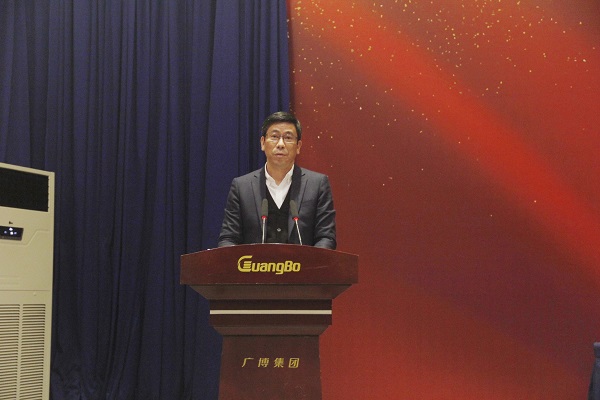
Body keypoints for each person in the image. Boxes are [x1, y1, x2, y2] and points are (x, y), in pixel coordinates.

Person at [218, 111, 336, 249]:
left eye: (288, 138)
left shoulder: (317, 185)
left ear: (298, 146)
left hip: (303, 263)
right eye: (274, 137)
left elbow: (326, 237)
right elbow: (228, 238)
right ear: (263, 143)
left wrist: (311, 261)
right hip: (254, 263)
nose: (280, 144)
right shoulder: (242, 187)